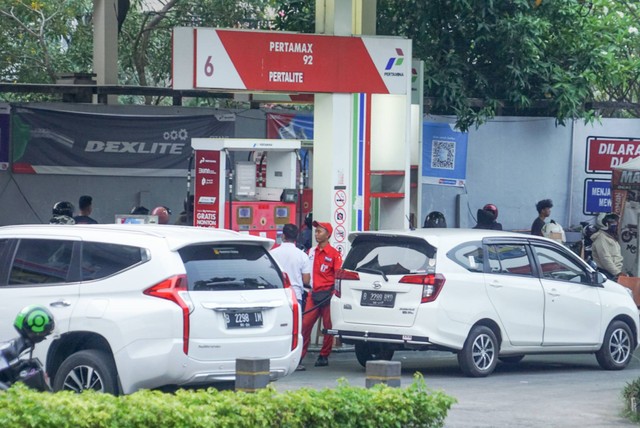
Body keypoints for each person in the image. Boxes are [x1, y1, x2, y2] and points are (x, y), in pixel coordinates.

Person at [300, 221, 342, 369]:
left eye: (320, 231)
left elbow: (338, 275)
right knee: (305, 325)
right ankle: (300, 355)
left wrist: (333, 292)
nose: (317, 234)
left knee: (328, 327)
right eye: (316, 231)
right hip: (313, 294)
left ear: (328, 234)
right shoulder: (310, 252)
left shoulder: (334, 254)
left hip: (328, 295)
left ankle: (324, 355)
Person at [271, 224, 312, 371]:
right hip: (295, 297)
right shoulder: (302, 255)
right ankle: (295, 361)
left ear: (283, 236)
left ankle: (274, 359)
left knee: (276, 328)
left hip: (276, 295)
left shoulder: (273, 253)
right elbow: (306, 280)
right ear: (297, 238)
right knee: (295, 330)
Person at [591, 213, 624, 280]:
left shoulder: (610, 237)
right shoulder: (601, 239)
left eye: (615, 222)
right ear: (604, 224)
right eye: (612, 222)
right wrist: (617, 273)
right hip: (607, 274)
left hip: (613, 273)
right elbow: (605, 259)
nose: (615, 224)